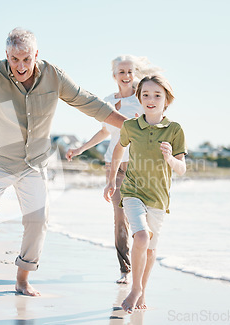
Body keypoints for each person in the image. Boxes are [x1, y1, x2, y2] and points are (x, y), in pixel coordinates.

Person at [0, 27, 127, 296]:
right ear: (6, 56)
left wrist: (130, 127)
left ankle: (23, 278)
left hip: (33, 162)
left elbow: (89, 102)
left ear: (36, 54)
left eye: (27, 59)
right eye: (14, 60)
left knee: (38, 219)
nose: (21, 66)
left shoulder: (53, 76)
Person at [66, 55, 161, 284]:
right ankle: (125, 269)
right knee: (119, 218)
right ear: (114, 75)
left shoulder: (142, 98)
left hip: (140, 168)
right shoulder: (107, 101)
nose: (126, 76)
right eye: (121, 72)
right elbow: (104, 132)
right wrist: (81, 149)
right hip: (115, 167)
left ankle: (144, 263)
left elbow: (155, 126)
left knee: (143, 220)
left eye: (130, 71)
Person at [103, 75, 187, 313]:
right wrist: (111, 180)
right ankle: (135, 289)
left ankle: (141, 289)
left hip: (159, 198)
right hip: (132, 192)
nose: (151, 99)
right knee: (141, 237)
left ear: (166, 100)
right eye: (146, 95)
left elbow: (181, 168)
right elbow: (119, 149)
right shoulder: (131, 126)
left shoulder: (174, 130)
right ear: (139, 98)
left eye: (157, 95)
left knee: (150, 249)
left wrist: (170, 158)